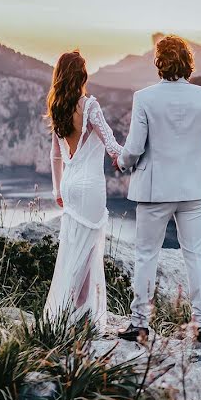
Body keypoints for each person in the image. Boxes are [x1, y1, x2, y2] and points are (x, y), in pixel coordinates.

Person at [116, 35, 201, 344]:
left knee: (145, 256)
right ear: (187, 63)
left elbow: (134, 148)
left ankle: (140, 322)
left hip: (154, 190)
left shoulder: (145, 97)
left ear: (159, 63)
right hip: (195, 190)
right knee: (195, 255)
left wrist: (122, 163)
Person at [44, 49, 121, 330]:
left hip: (69, 184)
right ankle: (77, 315)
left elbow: (55, 154)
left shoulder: (58, 106)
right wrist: (136, 155)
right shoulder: (89, 106)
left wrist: (57, 190)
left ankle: (72, 314)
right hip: (90, 187)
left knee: (73, 247)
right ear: (82, 75)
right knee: (88, 252)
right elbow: (112, 146)